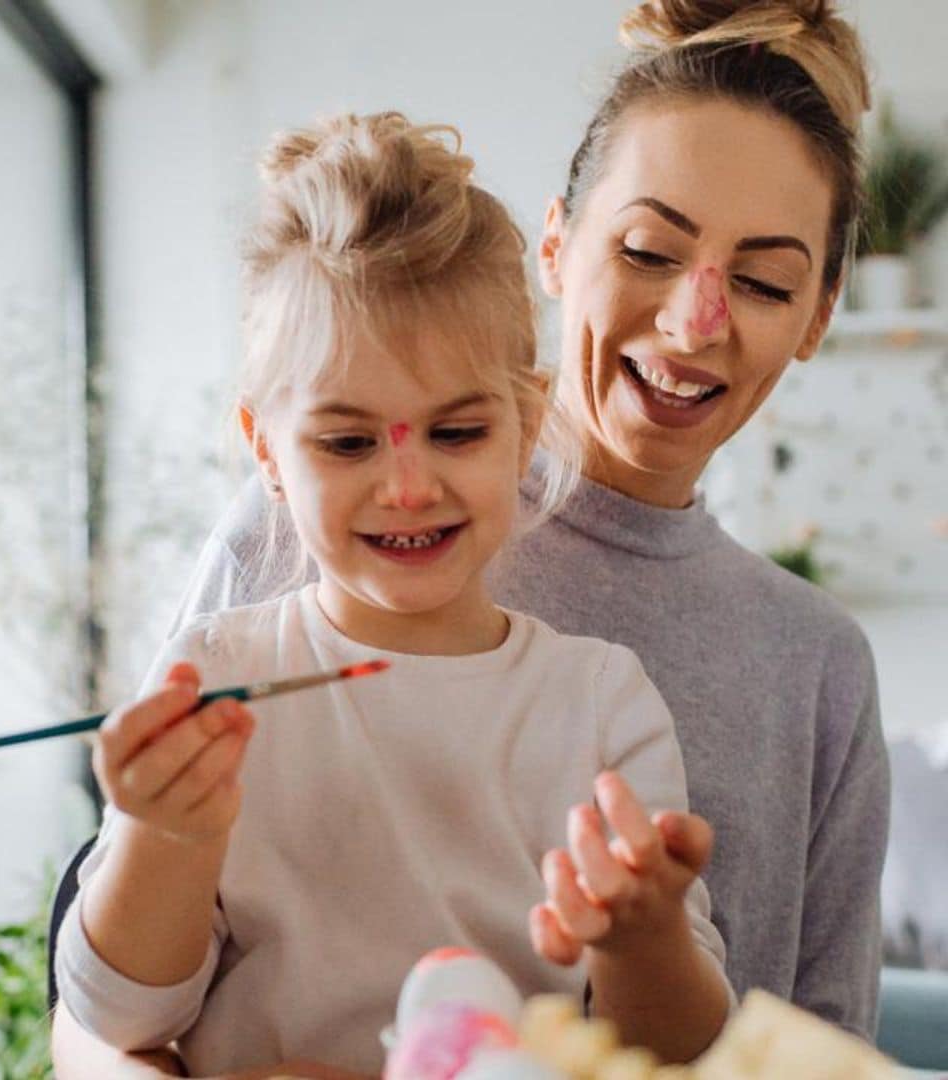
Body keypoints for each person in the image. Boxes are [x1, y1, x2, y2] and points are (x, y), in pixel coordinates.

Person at [53, 0, 891, 1073]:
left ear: (819, 314)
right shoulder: (293, 535)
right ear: (556, 244)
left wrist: (636, 934)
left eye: (768, 281)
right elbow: (101, 1016)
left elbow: (817, 1052)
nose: (697, 320)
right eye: (647, 250)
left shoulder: (785, 671)